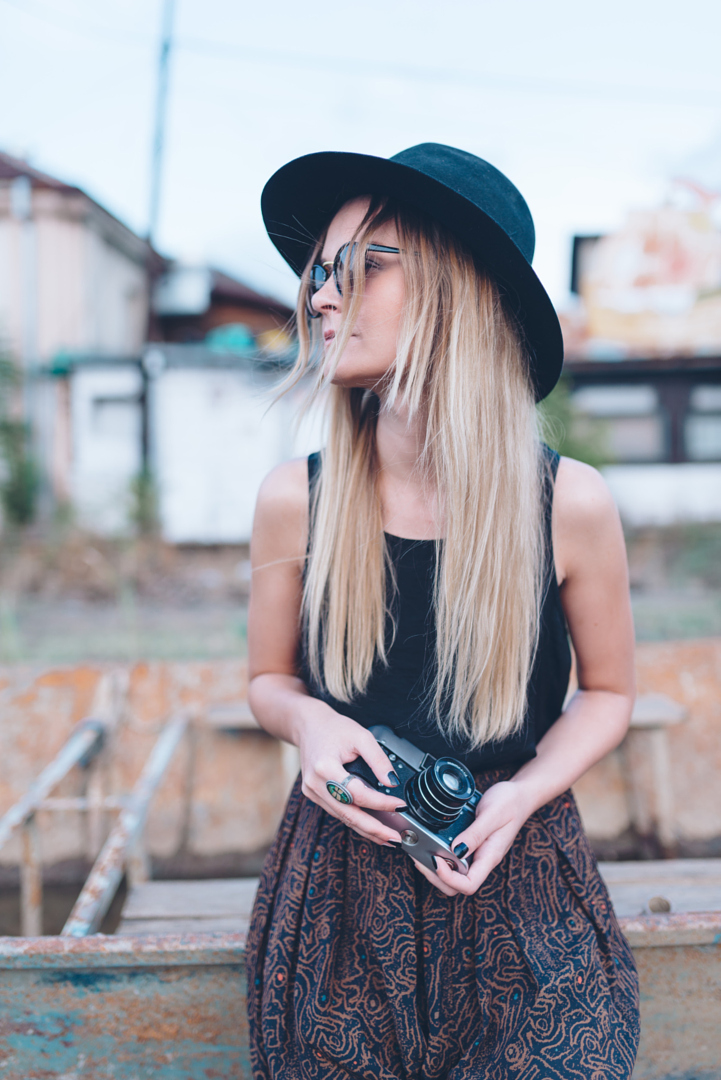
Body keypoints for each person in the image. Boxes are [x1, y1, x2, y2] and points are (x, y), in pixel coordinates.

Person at [245, 143, 640, 1080]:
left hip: (523, 875)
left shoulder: (568, 503)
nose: (319, 297)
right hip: (334, 897)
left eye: (359, 266)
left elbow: (610, 693)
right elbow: (267, 680)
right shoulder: (292, 501)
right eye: (319, 273)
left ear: (459, 288)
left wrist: (518, 796)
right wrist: (306, 724)